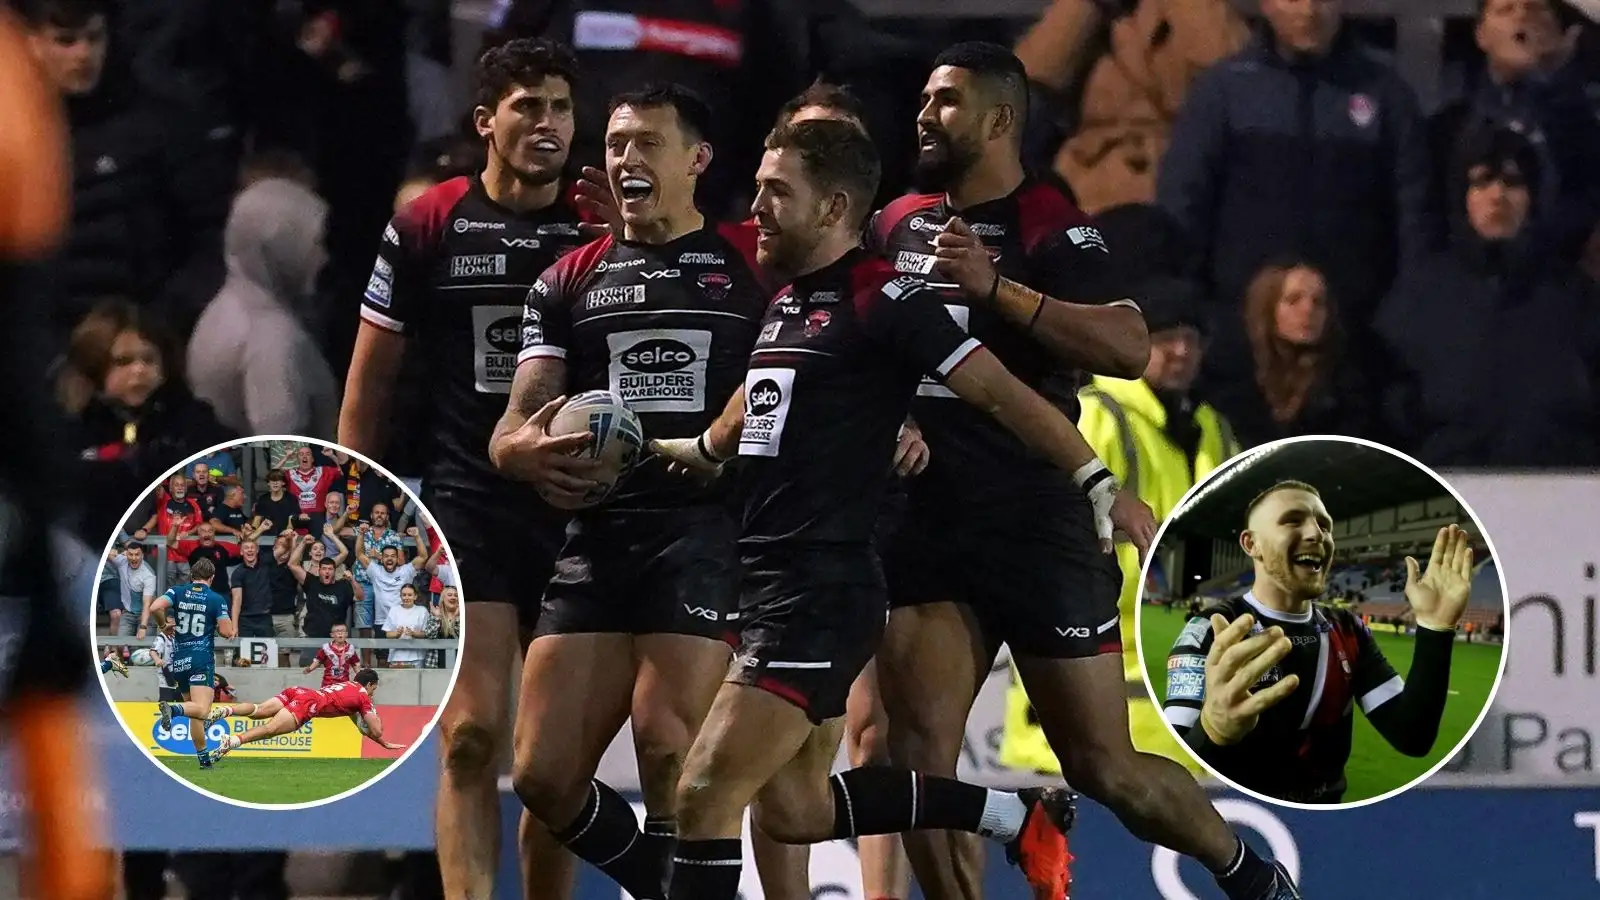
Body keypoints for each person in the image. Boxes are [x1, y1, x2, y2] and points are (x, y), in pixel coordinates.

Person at [643, 116, 1154, 900]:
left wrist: (1096, 480)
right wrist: (666, 450)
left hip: (823, 595)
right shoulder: (787, 304)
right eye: (755, 190)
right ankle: (1012, 817)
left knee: (704, 793)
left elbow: (1008, 397)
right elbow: (744, 419)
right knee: (798, 809)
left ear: (832, 206)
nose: (757, 208)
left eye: (776, 192)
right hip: (768, 586)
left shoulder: (885, 298)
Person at [866, 41, 1287, 900]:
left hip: (1036, 517)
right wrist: (893, 414)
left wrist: (999, 290)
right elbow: (861, 339)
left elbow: (1128, 345)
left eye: (945, 100)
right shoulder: (894, 221)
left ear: (999, 119)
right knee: (918, 762)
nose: (924, 114)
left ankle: (1246, 872)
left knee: (1104, 767)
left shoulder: (1047, 219)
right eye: (923, 96)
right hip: (927, 520)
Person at [490, 82, 771, 900]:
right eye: (615, 145)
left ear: (697, 160)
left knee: (666, 744)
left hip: (706, 532)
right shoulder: (565, 283)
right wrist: (529, 455)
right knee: (541, 777)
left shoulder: (749, 268)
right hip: (598, 540)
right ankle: (663, 882)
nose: (626, 160)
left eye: (648, 143)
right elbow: (511, 427)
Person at [339, 37, 591, 900]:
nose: (549, 123)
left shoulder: (603, 221)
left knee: (555, 763)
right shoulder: (428, 223)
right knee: (471, 737)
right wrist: (351, 506)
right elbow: (371, 378)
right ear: (486, 120)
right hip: (466, 506)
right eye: (529, 106)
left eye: (561, 106)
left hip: (577, 511)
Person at [1163, 482, 1473, 804]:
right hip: (1243, 818)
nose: (1316, 534)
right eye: (1293, 520)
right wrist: (1213, 730)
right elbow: (1172, 770)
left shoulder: (1348, 629)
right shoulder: (1213, 629)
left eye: (1324, 525)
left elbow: (1412, 736)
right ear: (1251, 543)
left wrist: (1435, 629)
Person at [149, 558, 237, 769]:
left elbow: (154, 607)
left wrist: (163, 625)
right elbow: (227, 632)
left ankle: (204, 759)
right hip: (200, 659)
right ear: (212, 577)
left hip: (179, 660)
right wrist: (222, 628)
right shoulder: (216, 598)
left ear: (191, 576)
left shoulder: (177, 591)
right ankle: (174, 710)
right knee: (203, 710)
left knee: (195, 712)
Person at [209, 669, 406, 756]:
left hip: (299, 691)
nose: (373, 692)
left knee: (258, 710)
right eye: (374, 688)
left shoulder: (348, 687)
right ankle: (232, 742)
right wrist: (378, 726)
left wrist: (383, 744)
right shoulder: (363, 697)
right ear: (370, 684)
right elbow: (375, 729)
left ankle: (225, 710)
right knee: (270, 729)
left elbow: (361, 729)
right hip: (308, 703)